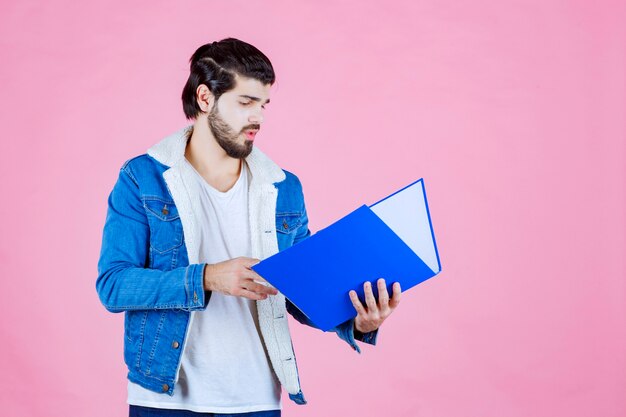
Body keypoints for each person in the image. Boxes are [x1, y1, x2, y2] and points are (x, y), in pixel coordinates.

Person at [96, 37, 401, 417]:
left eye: (263, 104)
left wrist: (356, 320)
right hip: (164, 398)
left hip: (256, 400)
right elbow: (113, 285)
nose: (258, 117)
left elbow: (298, 290)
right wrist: (206, 278)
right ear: (205, 98)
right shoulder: (143, 177)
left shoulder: (283, 188)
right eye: (245, 103)